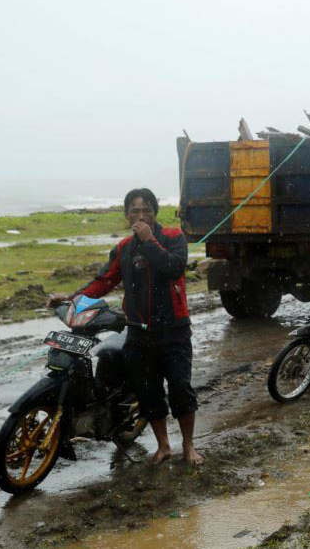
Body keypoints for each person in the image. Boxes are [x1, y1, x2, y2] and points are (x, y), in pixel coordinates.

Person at [48, 188, 204, 465]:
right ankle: (164, 446)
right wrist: (72, 297)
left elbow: (173, 268)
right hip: (138, 332)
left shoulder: (172, 237)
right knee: (149, 392)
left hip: (174, 330)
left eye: (146, 210)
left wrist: (148, 241)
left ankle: (189, 446)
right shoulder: (123, 248)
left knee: (180, 388)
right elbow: (104, 281)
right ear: (126, 215)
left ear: (156, 212)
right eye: (134, 210)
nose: (141, 215)